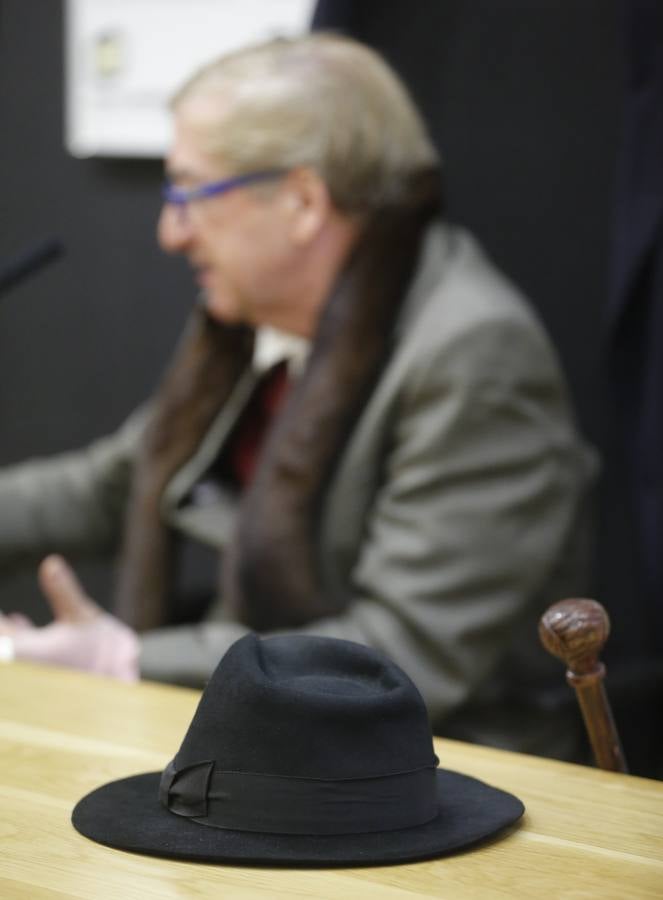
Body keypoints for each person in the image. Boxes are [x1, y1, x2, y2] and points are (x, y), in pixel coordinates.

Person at [0, 33, 597, 757]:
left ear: (303, 202)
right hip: (274, 748)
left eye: (189, 194)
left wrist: (122, 661)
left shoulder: (472, 353)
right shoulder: (257, 325)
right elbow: (111, 486)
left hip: (438, 778)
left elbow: (403, 651)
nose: (168, 231)